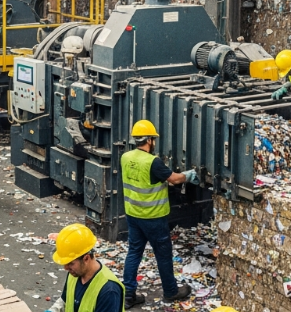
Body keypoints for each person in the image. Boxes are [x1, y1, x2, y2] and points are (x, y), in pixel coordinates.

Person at [121, 120, 198, 309]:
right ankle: (171, 291)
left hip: (133, 215)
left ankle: (129, 294)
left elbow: (147, 180)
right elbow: (173, 178)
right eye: (153, 139)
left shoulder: (126, 157)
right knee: (163, 255)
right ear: (148, 140)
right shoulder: (152, 162)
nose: (154, 142)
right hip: (153, 217)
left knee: (134, 252)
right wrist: (189, 175)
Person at [46, 223, 123, 312]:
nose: (66, 268)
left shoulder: (109, 291)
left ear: (86, 258)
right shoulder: (74, 273)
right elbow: (65, 301)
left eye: (71, 263)